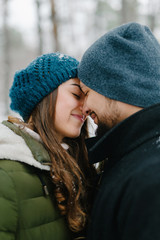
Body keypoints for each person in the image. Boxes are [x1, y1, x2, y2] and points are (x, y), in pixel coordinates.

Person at [0, 52, 96, 240]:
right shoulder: (6, 175)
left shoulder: (80, 164)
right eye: (77, 94)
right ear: (44, 96)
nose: (85, 107)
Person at [78, 22, 160, 240]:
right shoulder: (131, 153)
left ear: (116, 86)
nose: (84, 108)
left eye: (86, 92)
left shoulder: (151, 178)